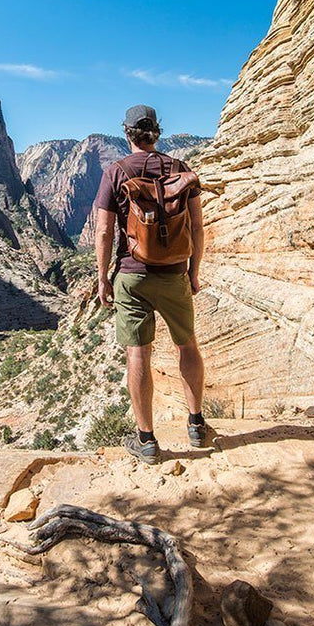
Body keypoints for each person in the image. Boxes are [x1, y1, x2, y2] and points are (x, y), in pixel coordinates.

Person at [93, 104, 213, 464]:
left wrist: (102, 278)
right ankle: (196, 424)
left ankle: (146, 440)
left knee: (138, 353)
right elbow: (196, 228)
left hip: (132, 275)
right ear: (156, 133)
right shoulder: (181, 170)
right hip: (175, 273)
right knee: (187, 345)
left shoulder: (115, 172)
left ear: (127, 133)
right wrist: (192, 272)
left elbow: (102, 231)